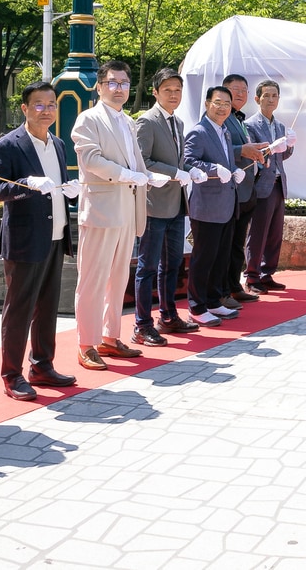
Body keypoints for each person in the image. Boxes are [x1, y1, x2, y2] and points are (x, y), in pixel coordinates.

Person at [0, 81, 80, 401]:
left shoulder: (59, 144)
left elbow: (57, 185)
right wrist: (27, 184)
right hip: (25, 238)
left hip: (55, 235)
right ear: (24, 108)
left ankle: (42, 365)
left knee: (48, 306)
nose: (46, 110)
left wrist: (69, 189)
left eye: (51, 104)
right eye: (39, 105)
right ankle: (12, 374)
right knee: (19, 310)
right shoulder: (9, 145)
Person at [72, 61, 164, 369]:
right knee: (93, 280)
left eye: (124, 83)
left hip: (127, 209)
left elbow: (135, 164)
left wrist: (147, 177)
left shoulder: (127, 121)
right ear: (99, 87)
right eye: (112, 83)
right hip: (101, 210)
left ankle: (110, 337)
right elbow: (92, 160)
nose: (119, 88)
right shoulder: (89, 119)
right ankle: (86, 343)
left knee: (117, 278)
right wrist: (128, 175)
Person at [131, 68, 198, 346]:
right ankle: (141, 324)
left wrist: (189, 171)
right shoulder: (147, 121)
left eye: (178, 90)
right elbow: (142, 162)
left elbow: (179, 162)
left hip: (175, 204)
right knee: (147, 266)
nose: (174, 94)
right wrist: (174, 172)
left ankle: (168, 315)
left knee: (172, 265)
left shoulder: (178, 123)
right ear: (155, 92)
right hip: (153, 205)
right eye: (168, 89)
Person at [182, 85, 246, 326]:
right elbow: (188, 161)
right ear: (207, 104)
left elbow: (227, 161)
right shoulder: (199, 131)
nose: (222, 108)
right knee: (204, 257)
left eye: (227, 104)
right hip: (207, 206)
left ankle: (213, 300)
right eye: (218, 103)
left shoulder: (225, 131)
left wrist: (234, 170)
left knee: (220, 256)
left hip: (227, 203)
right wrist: (212, 170)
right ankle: (196, 307)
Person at [245, 79, 296, 293]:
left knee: (275, 232)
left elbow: (281, 155)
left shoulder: (280, 126)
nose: (271, 99)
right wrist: (271, 149)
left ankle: (267, 273)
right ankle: (251, 276)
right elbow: (253, 156)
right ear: (257, 99)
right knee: (257, 232)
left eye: (274, 95)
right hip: (261, 185)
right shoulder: (250, 125)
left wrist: (289, 146)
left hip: (278, 183)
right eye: (266, 95)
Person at [220, 73, 267, 307]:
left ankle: (234, 286)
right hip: (230, 191)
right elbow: (222, 147)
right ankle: (223, 290)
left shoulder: (240, 119)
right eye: (235, 89)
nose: (240, 94)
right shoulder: (222, 117)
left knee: (238, 242)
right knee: (227, 243)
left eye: (244, 90)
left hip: (248, 189)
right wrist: (243, 150)